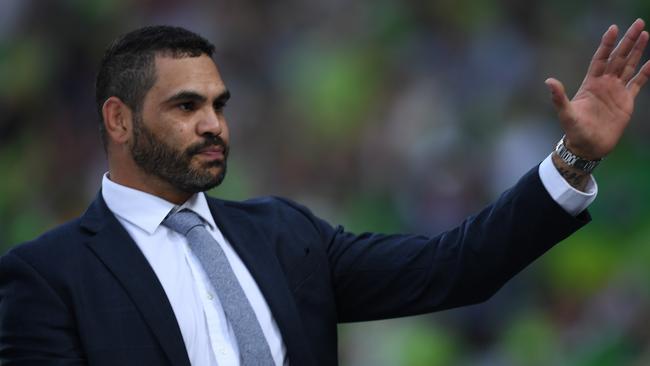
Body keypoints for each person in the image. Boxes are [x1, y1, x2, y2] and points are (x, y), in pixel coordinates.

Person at [0, 19, 648, 366]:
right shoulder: (48, 275)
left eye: (219, 105)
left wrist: (575, 156)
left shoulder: (282, 234)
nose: (213, 124)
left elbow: (455, 269)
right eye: (186, 105)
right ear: (118, 120)